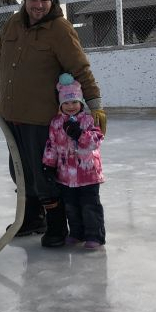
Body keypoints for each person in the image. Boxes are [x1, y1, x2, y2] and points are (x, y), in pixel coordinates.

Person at [0, 0, 106, 246]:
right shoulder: (12, 26)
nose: (38, 5)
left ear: (51, 0)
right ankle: (31, 218)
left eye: (44, 0)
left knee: (44, 174)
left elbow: (81, 69)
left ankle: (56, 225)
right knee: (19, 171)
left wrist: (96, 108)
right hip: (11, 114)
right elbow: (1, 63)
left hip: (41, 118)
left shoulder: (60, 29)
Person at [41, 73, 106, 249]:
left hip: (88, 174)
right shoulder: (56, 123)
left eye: (74, 102)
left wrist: (80, 134)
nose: (71, 106)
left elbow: (96, 140)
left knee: (89, 206)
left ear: (81, 102)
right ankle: (77, 233)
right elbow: (52, 145)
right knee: (71, 207)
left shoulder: (88, 119)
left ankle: (94, 235)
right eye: (66, 103)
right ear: (61, 104)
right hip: (65, 176)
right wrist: (48, 165)